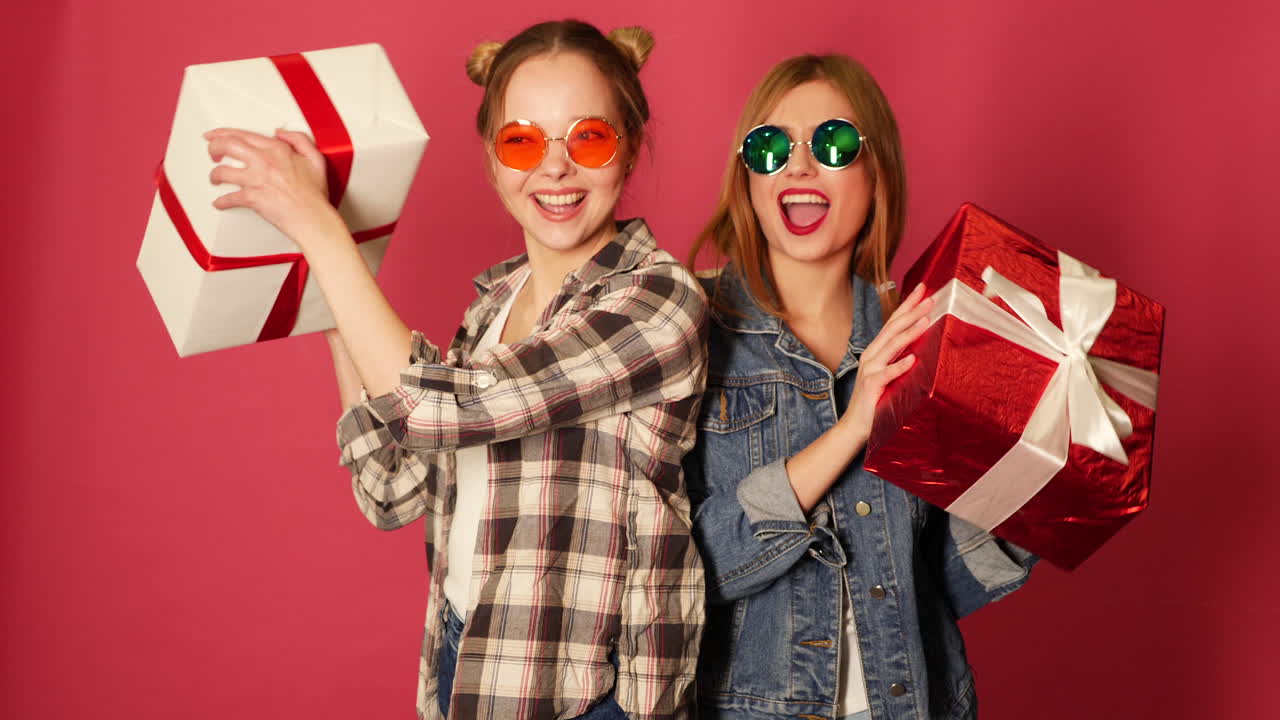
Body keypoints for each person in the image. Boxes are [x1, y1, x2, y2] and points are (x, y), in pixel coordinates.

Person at [203, 20, 708, 720]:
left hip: (587, 693)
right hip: (467, 659)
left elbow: (435, 410)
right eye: (522, 142)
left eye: (588, 138)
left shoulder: (658, 300)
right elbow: (390, 486)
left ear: (629, 146)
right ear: (492, 160)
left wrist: (317, 225)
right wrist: (329, 272)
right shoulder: (492, 307)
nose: (555, 168)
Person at [684, 54, 1036, 720]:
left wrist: (1037, 480)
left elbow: (935, 585)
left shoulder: (924, 338)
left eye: (834, 143)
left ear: (878, 174)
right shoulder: (689, 331)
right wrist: (850, 430)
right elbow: (682, 571)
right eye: (770, 146)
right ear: (746, 178)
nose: (798, 166)